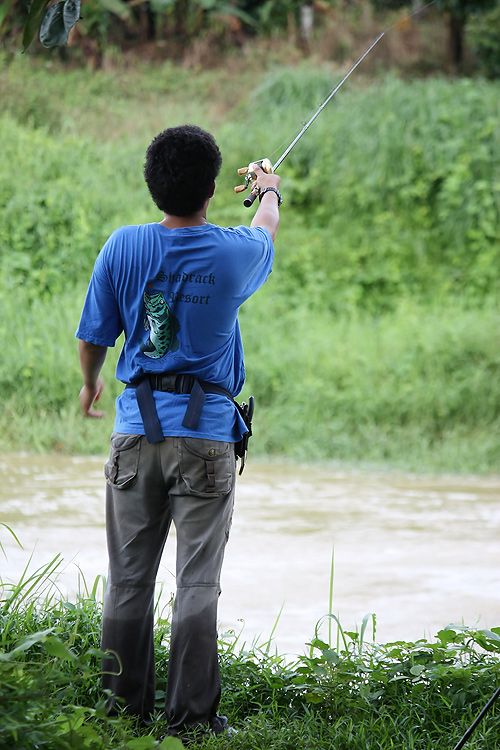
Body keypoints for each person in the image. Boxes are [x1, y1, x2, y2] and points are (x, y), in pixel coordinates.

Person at [75, 124, 281, 744]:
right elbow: (264, 229)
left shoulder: (123, 246)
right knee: (196, 582)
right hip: (208, 440)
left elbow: (94, 337)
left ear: (151, 185)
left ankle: (118, 714)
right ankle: (191, 721)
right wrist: (269, 187)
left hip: (135, 432)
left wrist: (91, 385)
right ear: (214, 188)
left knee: (129, 580)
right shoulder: (233, 252)